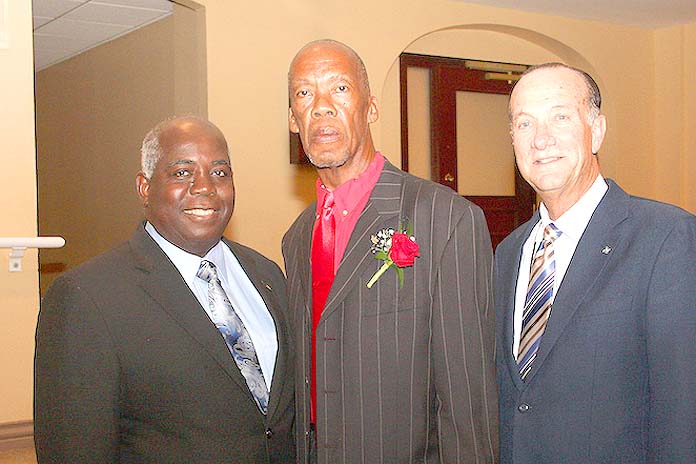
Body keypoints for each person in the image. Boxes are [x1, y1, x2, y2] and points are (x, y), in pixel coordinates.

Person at [283, 39, 498, 464]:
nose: (321, 106)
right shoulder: (297, 236)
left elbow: (468, 402)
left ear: (372, 108)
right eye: (304, 94)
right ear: (293, 119)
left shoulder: (445, 218)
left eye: (339, 89)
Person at [34, 116, 295, 463]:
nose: (205, 187)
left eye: (220, 172)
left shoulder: (267, 275)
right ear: (145, 187)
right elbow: (73, 449)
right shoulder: (86, 297)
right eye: (182, 172)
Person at [496, 62, 696, 463]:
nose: (542, 140)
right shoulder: (508, 252)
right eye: (525, 124)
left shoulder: (666, 237)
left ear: (597, 131)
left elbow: (683, 407)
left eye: (561, 117)